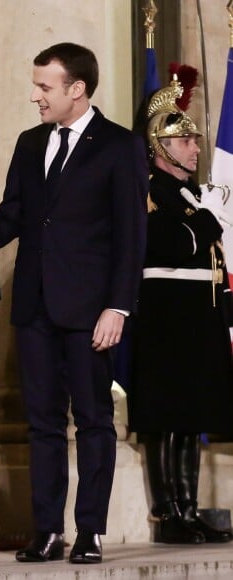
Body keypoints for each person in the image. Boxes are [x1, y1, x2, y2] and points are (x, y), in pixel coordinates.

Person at [0, 42, 148, 564]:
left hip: (91, 310)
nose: (34, 95)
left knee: (93, 420)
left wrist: (118, 306)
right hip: (35, 306)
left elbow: (132, 235)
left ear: (76, 89)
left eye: (44, 87)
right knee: (40, 421)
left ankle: (89, 531)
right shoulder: (29, 142)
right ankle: (47, 531)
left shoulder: (120, 146)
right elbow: (9, 216)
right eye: (35, 85)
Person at [128, 76, 233, 544]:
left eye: (192, 139)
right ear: (160, 146)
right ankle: (166, 512)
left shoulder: (188, 193)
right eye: (183, 140)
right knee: (167, 415)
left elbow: (210, 258)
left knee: (192, 415)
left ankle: (189, 509)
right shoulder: (151, 190)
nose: (194, 148)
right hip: (168, 316)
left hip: (198, 314)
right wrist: (210, 219)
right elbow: (172, 244)